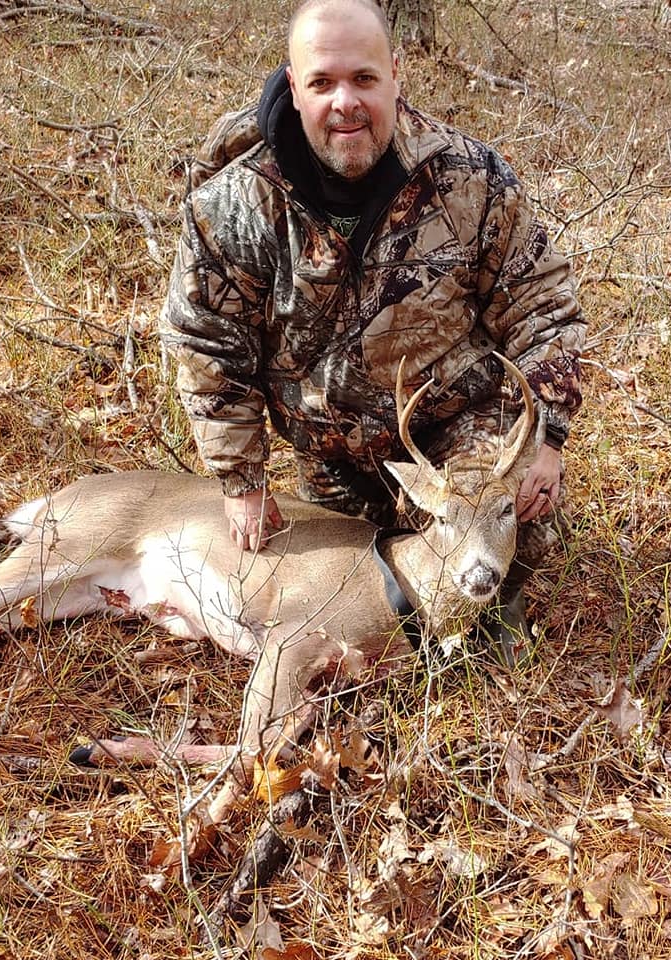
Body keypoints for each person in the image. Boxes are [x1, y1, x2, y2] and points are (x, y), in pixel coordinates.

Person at [159, 0, 586, 664]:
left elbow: (543, 309)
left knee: (521, 527)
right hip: (330, 453)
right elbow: (207, 341)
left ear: (396, 73)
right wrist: (241, 477)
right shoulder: (234, 203)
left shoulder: (469, 179)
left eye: (364, 79)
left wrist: (548, 440)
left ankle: (484, 630)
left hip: (454, 432)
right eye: (323, 83)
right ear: (294, 87)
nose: (345, 102)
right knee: (348, 582)